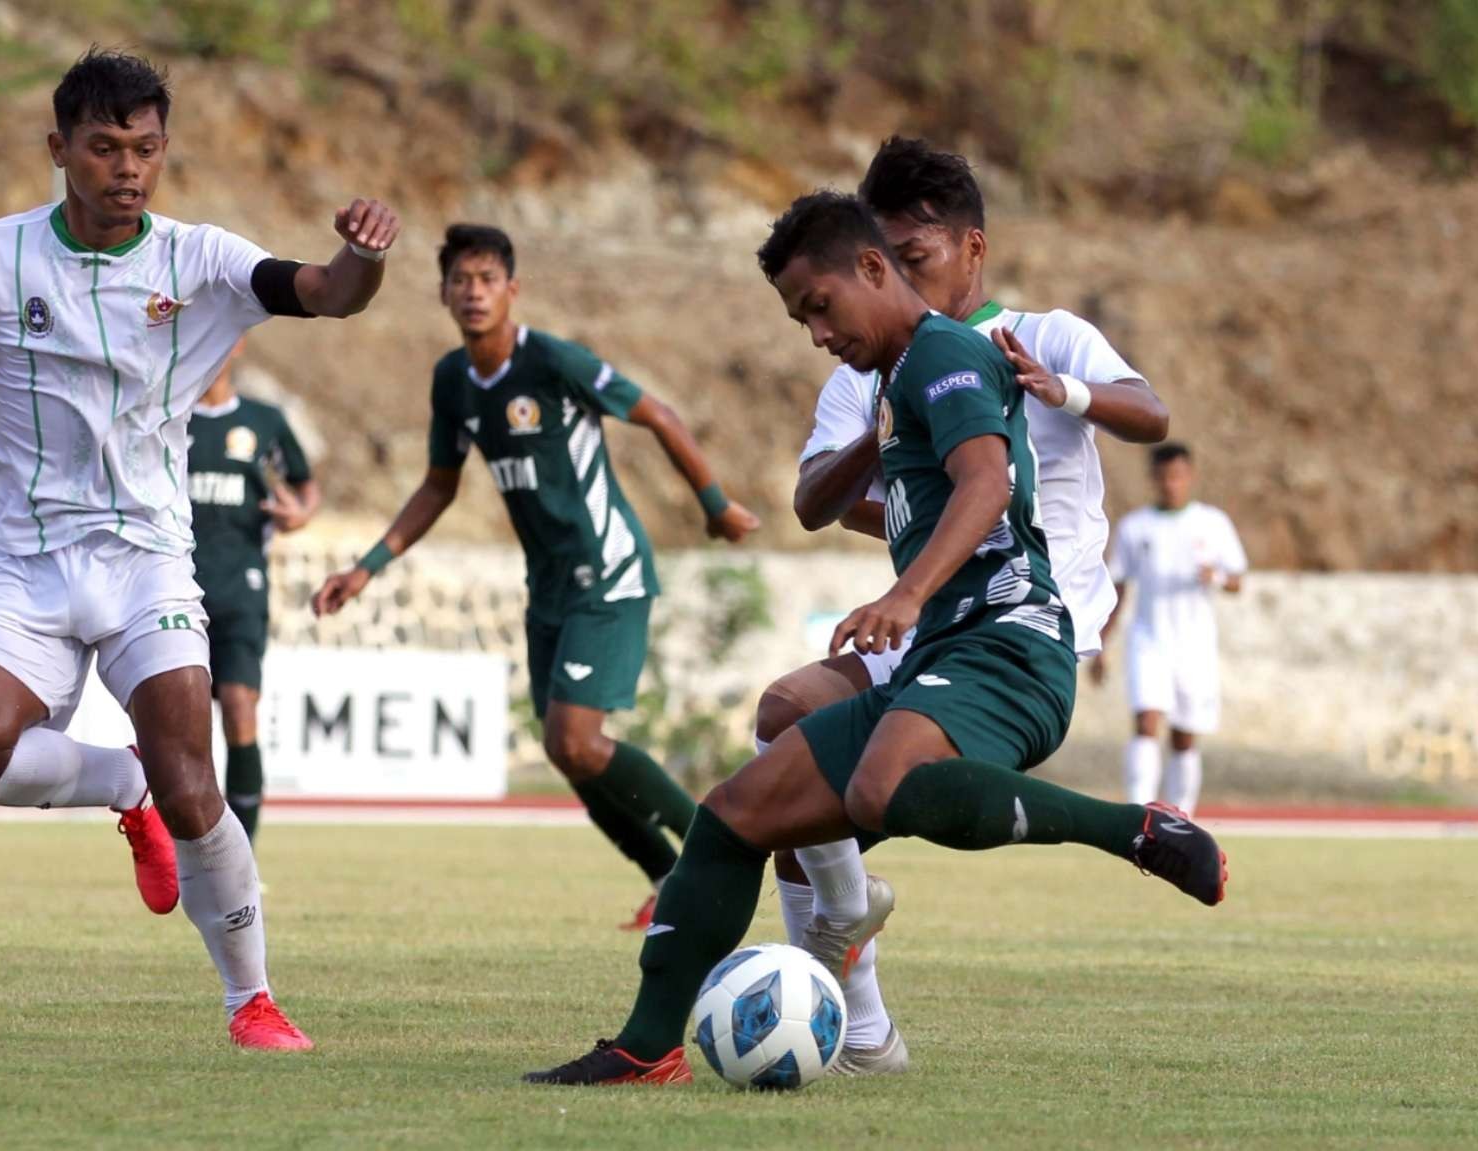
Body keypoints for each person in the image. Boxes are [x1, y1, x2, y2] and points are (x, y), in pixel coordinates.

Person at [524, 191, 1226, 1087]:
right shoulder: (896, 382)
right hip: (944, 649)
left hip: (1010, 641)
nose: (815, 333)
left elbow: (986, 482)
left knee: (882, 785)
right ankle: (647, 1045)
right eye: (797, 318)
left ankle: (1132, 828)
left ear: (871, 269)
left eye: (819, 307)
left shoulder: (943, 353)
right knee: (734, 815)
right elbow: (828, 499)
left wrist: (906, 591)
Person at [0, 48, 401, 1051]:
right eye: (104, 146)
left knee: (193, 778)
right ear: (59, 148)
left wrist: (367, 257)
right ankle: (118, 785)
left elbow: (327, 291)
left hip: (147, 564)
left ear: (164, 153)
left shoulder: (199, 259)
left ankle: (250, 998)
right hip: (30, 566)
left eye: (146, 148)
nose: (127, 167)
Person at [756, 138, 1171, 1076]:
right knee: (785, 738)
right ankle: (862, 1029)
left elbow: (1151, 412)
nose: (898, 277)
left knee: (820, 794)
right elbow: (817, 499)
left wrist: (1059, 389)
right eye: (883, 258)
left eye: (918, 257)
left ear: (972, 250)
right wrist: (883, 428)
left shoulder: (1045, 333)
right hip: (930, 618)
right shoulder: (863, 367)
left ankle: (846, 975)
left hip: (1023, 623)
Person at [311, 224, 760, 928]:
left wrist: (715, 505)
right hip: (548, 586)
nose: (474, 292)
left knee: (576, 740)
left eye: (488, 278)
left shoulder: (553, 361)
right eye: (461, 280)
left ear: (512, 290)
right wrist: (367, 568)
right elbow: (437, 485)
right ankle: (671, 879)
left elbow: (660, 415)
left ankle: (717, 850)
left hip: (606, 572)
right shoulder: (453, 380)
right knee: (566, 750)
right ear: (443, 293)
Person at [187, 337, 320, 845]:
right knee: (185, 723)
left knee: (240, 705)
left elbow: (305, 484)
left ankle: (241, 851)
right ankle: (191, 847)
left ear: (236, 343)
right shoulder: (168, 416)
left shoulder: (264, 421)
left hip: (242, 587)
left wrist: (300, 513)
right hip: (177, 591)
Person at [1099, 443, 1247, 816]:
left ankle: (1183, 817)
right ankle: (1137, 815)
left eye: (1178, 476)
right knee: (1146, 721)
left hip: (1194, 645)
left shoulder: (1211, 523)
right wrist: (1101, 643)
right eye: (1164, 477)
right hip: (1149, 639)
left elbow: (1237, 581)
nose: (1171, 484)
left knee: (1184, 735)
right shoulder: (1136, 528)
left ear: (1190, 476)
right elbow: (1118, 588)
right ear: (1153, 479)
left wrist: (1216, 577)